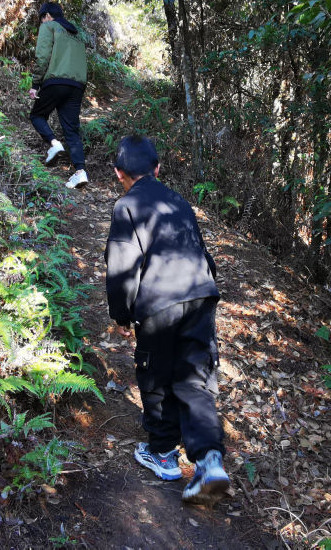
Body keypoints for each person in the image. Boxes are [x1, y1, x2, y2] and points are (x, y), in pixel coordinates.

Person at [104, 135, 229, 506]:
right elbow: (202, 251)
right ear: (158, 169)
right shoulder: (179, 200)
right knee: (196, 379)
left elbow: (123, 266)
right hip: (201, 295)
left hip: (159, 302)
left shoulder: (126, 205)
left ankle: (162, 453)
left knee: (156, 373)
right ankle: (209, 461)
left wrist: (122, 314)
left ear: (119, 173)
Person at [29, 2, 89, 189]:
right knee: (71, 130)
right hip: (77, 85)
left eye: (41, 18)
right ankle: (80, 172)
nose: (42, 21)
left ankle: (55, 144)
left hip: (56, 80)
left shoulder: (49, 26)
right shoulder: (76, 35)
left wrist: (35, 84)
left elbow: (43, 56)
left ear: (47, 15)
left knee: (37, 115)